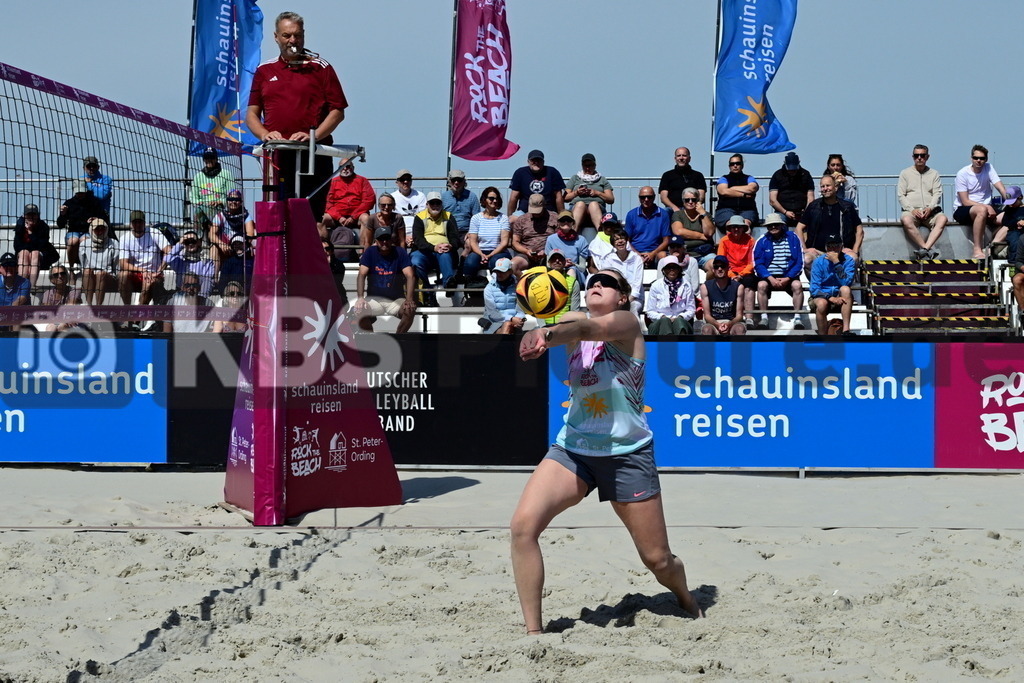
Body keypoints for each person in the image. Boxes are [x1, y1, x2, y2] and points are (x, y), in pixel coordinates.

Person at [511, 268, 703, 636]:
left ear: (624, 296)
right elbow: (569, 326)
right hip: (575, 449)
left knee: (658, 560)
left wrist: (545, 332)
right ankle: (533, 635)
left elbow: (585, 330)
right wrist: (538, 334)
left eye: (608, 282)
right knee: (522, 528)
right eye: (592, 282)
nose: (597, 284)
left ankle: (686, 597)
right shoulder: (573, 321)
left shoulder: (627, 324)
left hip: (627, 453)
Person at [245, 11, 348, 220]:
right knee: (279, 216)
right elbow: (251, 116)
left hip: (314, 156)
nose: (292, 40)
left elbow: (338, 111)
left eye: (297, 35)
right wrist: (265, 134)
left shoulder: (321, 68)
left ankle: (308, 251)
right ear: (276, 37)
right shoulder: (265, 70)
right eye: (286, 35)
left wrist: (314, 136)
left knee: (309, 218)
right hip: (278, 157)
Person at [795, 175, 863, 275]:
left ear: (835, 187)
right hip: (818, 252)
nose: (825, 189)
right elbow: (799, 228)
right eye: (822, 186)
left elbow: (859, 230)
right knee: (807, 259)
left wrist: (855, 250)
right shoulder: (813, 206)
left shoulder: (847, 207)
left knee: (853, 259)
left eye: (828, 185)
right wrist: (804, 249)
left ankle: (845, 287)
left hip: (842, 252)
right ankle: (816, 288)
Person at [354, 227, 417, 334]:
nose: (384, 242)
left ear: (391, 240)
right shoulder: (370, 252)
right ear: (375, 241)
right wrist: (360, 298)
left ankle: (399, 338)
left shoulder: (400, 252)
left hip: (396, 299)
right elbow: (361, 275)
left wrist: (409, 299)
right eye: (381, 239)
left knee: (410, 309)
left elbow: (410, 276)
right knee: (359, 310)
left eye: (387, 238)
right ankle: (371, 338)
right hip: (375, 299)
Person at [952, 145, 1008, 259]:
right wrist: (986, 207)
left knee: (1013, 217)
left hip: (986, 208)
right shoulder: (962, 174)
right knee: (981, 210)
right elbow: (965, 201)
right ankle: (977, 249)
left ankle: (992, 247)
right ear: (971, 158)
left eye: (982, 158)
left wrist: (1013, 202)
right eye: (976, 158)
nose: (978, 160)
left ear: (986, 159)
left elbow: (1001, 188)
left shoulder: (989, 168)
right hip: (964, 209)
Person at [118, 211, 171, 330]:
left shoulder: (154, 233)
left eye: (140, 222)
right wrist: (141, 270)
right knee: (123, 275)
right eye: (135, 222)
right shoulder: (125, 238)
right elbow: (123, 264)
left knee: (148, 285)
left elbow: (169, 251)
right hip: (136, 273)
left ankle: (135, 320)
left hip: (154, 274)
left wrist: (159, 270)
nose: (137, 225)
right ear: (131, 224)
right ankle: (128, 310)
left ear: (144, 223)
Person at [753, 213, 805, 330]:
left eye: (776, 225)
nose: (773, 227)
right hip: (769, 276)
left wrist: (788, 278)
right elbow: (758, 263)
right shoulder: (762, 240)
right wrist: (770, 278)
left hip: (788, 275)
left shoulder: (793, 238)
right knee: (761, 285)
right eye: (770, 225)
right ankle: (764, 317)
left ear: (782, 225)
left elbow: (799, 261)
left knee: (797, 285)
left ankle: (798, 318)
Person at [897, 144, 947, 259]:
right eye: (916, 155)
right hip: (912, 211)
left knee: (942, 219)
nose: (919, 158)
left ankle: (924, 249)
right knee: (906, 219)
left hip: (930, 212)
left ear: (927, 157)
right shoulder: (905, 173)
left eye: (922, 155)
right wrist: (912, 210)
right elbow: (901, 195)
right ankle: (926, 248)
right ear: (913, 157)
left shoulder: (934, 174)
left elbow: (937, 193)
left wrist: (930, 208)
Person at [410, 191, 460, 302]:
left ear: (442, 204)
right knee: (415, 261)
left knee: (445, 254)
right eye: (432, 203)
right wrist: (434, 248)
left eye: (438, 203)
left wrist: (450, 246)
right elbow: (418, 240)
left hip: (444, 251)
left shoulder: (449, 216)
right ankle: (428, 290)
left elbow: (455, 237)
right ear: (427, 204)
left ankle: (449, 284)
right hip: (424, 252)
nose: (435, 206)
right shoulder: (419, 217)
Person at [321, 159, 374, 252]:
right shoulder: (332, 182)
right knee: (321, 219)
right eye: (342, 166)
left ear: (353, 168)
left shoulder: (362, 181)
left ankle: (362, 253)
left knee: (366, 218)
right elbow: (327, 202)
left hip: (357, 217)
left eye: (348, 166)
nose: (345, 169)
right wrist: (338, 217)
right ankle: (326, 251)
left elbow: (369, 200)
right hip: (336, 217)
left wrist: (353, 216)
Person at [712, 216, 757, 325]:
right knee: (724, 282)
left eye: (738, 227)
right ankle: (731, 316)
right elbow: (721, 260)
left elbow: (752, 261)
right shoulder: (724, 241)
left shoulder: (751, 241)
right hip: (729, 271)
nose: (735, 229)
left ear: (743, 228)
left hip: (746, 272)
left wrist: (741, 275)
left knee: (749, 285)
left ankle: (749, 317)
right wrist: (732, 275)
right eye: (733, 227)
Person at [57, 179, 108, 270]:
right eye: (78, 192)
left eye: (82, 192)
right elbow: (60, 224)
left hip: (88, 231)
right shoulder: (69, 203)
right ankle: (71, 268)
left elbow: (104, 218)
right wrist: (63, 214)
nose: (80, 194)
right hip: (73, 232)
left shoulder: (94, 202)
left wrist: (96, 220)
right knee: (73, 241)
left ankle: (86, 268)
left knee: (85, 241)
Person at [809, 238, 856, 336]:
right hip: (821, 295)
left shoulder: (849, 260)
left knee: (846, 289)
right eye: (830, 246)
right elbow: (814, 289)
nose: (833, 248)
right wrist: (830, 298)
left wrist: (836, 263)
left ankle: (846, 330)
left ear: (841, 247)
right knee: (822, 303)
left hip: (840, 295)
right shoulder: (818, 262)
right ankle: (822, 335)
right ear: (826, 247)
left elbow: (846, 282)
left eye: (836, 245)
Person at [464, 187, 510, 281]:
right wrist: (481, 254)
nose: (495, 201)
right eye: (491, 198)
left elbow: (504, 242)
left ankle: (499, 288)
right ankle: (471, 287)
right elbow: (473, 242)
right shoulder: (476, 218)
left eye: (497, 198)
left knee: (495, 263)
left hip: (498, 252)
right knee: (470, 263)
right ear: (484, 200)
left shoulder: (503, 218)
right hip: (480, 251)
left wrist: (490, 255)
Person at [644, 255, 695, 335]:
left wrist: (680, 317)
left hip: (680, 321)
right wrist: (663, 317)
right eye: (668, 268)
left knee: (679, 323)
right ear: (664, 270)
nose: (672, 270)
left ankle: (681, 346)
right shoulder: (656, 285)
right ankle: (667, 346)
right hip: (659, 323)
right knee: (665, 322)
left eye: (674, 267)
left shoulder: (686, 285)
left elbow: (691, 310)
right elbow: (650, 311)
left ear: (678, 269)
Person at [510, 194, 558, 276]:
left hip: (549, 254)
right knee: (512, 265)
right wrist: (526, 251)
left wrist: (547, 251)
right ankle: (525, 282)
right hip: (526, 254)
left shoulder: (555, 218)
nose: (536, 214)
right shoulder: (522, 220)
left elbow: (559, 240)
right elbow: (515, 242)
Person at [598, 230, 644, 316]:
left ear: (626, 241)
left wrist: (626, 302)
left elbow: (637, 285)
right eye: (616, 239)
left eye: (622, 238)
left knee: (632, 308)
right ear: (613, 244)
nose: (620, 241)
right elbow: (606, 281)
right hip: (615, 298)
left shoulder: (637, 259)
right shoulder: (608, 260)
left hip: (634, 299)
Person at [564, 153, 614, 230]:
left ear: (595, 165)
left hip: (597, 208)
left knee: (593, 204)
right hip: (577, 207)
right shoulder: (575, 178)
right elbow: (565, 198)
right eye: (585, 166)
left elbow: (611, 199)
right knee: (580, 204)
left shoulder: (602, 180)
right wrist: (576, 193)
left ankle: (600, 232)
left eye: (590, 165)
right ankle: (573, 231)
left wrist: (597, 193)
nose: (587, 168)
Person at [13, 203, 58, 290]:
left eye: (34, 214)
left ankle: (32, 285)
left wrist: (30, 232)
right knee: (24, 253)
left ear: (37, 215)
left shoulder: (43, 226)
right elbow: (17, 246)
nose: (31, 217)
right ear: (24, 216)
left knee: (35, 253)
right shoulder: (20, 226)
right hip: (24, 257)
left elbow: (41, 246)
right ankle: (22, 286)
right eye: (29, 215)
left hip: (41, 257)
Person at [508, 150, 565, 216]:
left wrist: (561, 215)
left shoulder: (552, 172)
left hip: (548, 211)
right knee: (513, 220)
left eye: (539, 160)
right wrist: (509, 216)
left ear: (543, 162)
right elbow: (514, 197)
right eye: (533, 160)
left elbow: (558, 197)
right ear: (528, 162)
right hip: (524, 212)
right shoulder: (520, 173)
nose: (536, 162)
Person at [209, 189, 257, 269]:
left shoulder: (246, 216)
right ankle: (214, 278)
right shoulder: (220, 216)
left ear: (241, 202)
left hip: (240, 246)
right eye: (231, 199)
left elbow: (250, 234)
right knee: (214, 248)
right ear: (227, 201)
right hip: (224, 247)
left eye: (237, 199)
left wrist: (239, 245)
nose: (233, 202)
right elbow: (211, 234)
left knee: (250, 249)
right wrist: (221, 244)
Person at [190, 148, 237, 229]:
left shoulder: (226, 174)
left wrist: (220, 201)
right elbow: (193, 198)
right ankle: (200, 239)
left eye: (211, 157)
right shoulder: (198, 176)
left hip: (220, 208)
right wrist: (203, 203)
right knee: (198, 212)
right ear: (204, 160)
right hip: (202, 210)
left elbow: (231, 196)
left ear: (216, 159)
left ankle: (212, 234)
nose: (209, 160)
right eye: (206, 157)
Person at [700, 255, 747, 336]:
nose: (720, 269)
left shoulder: (738, 287)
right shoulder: (705, 287)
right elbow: (707, 315)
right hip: (713, 321)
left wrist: (729, 324)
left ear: (728, 268)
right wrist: (717, 325)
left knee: (740, 329)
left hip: (732, 321)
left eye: (722, 266)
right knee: (707, 330)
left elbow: (739, 315)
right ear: (713, 270)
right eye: (716, 267)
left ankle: (739, 349)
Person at [624, 186, 670, 267]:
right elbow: (627, 240)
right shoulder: (631, 214)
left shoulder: (663, 214)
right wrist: (637, 254)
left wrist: (652, 254)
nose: (646, 199)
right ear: (639, 198)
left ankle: (663, 279)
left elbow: (666, 240)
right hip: (636, 251)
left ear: (654, 197)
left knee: (663, 256)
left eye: (649, 197)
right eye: (643, 197)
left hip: (656, 252)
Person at [544, 211, 594, 284]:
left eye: (569, 220)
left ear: (573, 223)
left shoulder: (581, 240)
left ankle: (569, 293)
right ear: (558, 223)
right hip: (556, 270)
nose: (566, 222)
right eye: (562, 220)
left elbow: (582, 268)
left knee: (571, 270)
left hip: (576, 272)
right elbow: (548, 265)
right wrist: (562, 265)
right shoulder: (551, 239)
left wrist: (573, 264)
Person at [165, 229, 217, 298]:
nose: (190, 244)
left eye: (193, 241)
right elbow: (167, 259)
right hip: (181, 294)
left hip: (198, 295)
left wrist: (201, 298)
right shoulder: (180, 260)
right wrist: (179, 244)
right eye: (187, 242)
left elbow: (208, 281)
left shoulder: (207, 261)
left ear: (198, 242)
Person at [714, 154, 759, 231]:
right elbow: (723, 191)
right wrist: (743, 195)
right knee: (731, 225)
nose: (735, 166)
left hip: (747, 210)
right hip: (726, 209)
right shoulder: (724, 178)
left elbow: (752, 188)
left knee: (745, 226)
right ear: (729, 166)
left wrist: (732, 188)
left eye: (738, 163)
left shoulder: (749, 178)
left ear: (742, 165)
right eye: (732, 164)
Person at [80, 218, 119, 306]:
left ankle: (98, 306)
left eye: (102, 228)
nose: (100, 231)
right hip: (91, 277)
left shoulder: (114, 243)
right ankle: (88, 304)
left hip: (108, 276)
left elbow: (116, 266)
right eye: (97, 229)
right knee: (86, 271)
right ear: (92, 230)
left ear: (106, 229)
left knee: (101, 274)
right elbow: (83, 264)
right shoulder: (84, 244)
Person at [768, 152, 814, 227]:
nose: (792, 172)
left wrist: (806, 213)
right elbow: (772, 200)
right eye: (790, 169)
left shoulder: (806, 175)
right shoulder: (777, 175)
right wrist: (785, 212)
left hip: (802, 212)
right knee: (779, 224)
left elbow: (810, 198)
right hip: (782, 212)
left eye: (794, 170)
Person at [658, 147, 707, 213]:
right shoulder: (667, 175)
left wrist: (692, 207)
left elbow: (701, 197)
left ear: (689, 158)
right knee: (664, 212)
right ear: (675, 159)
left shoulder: (698, 175)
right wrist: (674, 208)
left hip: (693, 208)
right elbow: (663, 198)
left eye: (684, 155)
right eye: (678, 156)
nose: (681, 158)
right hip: (672, 209)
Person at [668, 187, 715, 257]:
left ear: (698, 201)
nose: (690, 202)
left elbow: (709, 233)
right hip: (682, 253)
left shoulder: (706, 215)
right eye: (687, 200)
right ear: (683, 201)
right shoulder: (678, 214)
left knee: (713, 261)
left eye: (693, 200)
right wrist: (701, 236)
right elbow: (678, 231)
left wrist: (703, 214)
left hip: (703, 252)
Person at [480, 257, 522, 334]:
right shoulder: (489, 288)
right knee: (508, 325)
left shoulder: (518, 287)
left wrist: (520, 320)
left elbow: (520, 309)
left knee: (509, 325)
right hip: (493, 324)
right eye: (497, 271)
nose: (499, 274)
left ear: (510, 272)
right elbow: (492, 313)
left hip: (515, 323)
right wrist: (511, 319)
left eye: (502, 271)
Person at [539, 249, 581, 324]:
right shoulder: (541, 281)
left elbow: (574, 310)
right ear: (548, 263)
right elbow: (539, 307)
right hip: (545, 327)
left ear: (565, 262)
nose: (557, 261)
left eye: (560, 258)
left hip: (565, 328)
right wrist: (543, 327)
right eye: (553, 258)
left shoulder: (573, 282)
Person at [441, 169, 479, 243]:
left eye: (459, 180)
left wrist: (471, 232)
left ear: (464, 181)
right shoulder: (444, 197)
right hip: (449, 232)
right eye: (453, 180)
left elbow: (477, 218)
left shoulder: (472, 196)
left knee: (470, 244)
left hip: (467, 232)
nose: (456, 182)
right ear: (449, 181)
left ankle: (464, 255)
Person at [41, 265, 81, 332]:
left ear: (67, 277)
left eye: (62, 274)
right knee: (51, 328)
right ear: (52, 280)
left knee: (62, 326)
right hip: (54, 321)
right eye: (56, 275)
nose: (60, 276)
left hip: (72, 322)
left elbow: (70, 308)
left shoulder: (74, 291)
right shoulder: (47, 293)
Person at [390, 169, 427, 238]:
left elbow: (423, 216)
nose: (405, 182)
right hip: (399, 230)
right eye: (402, 180)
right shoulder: (392, 197)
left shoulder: (420, 195)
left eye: (408, 179)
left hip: (417, 230)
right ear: (397, 183)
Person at [0, 252, 30, 329]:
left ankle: (15, 340)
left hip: (14, 315)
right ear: (0, 268)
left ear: (17, 268)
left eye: (12, 265)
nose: (9, 267)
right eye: (6, 265)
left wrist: (6, 314)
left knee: (17, 316)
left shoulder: (25, 282)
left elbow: (21, 300)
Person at [993, 186, 1024, 260]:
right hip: (1013, 231)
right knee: (1014, 241)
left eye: (1013, 202)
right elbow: (1006, 222)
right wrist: (1016, 223)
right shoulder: (1009, 209)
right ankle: (1013, 262)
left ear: (1020, 197)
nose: (1011, 205)